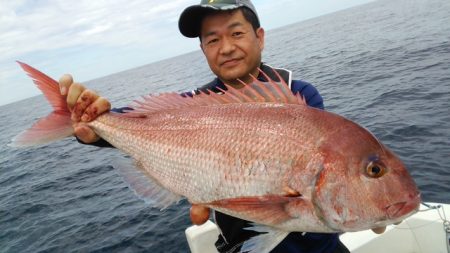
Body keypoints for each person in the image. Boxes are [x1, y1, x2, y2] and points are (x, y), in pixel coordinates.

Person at [59, 0, 385, 252]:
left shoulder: (300, 95)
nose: (226, 47)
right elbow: (127, 120)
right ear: (203, 49)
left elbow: (327, 168)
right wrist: (92, 127)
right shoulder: (193, 106)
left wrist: (368, 204)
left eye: (237, 32)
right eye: (212, 40)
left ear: (260, 36)